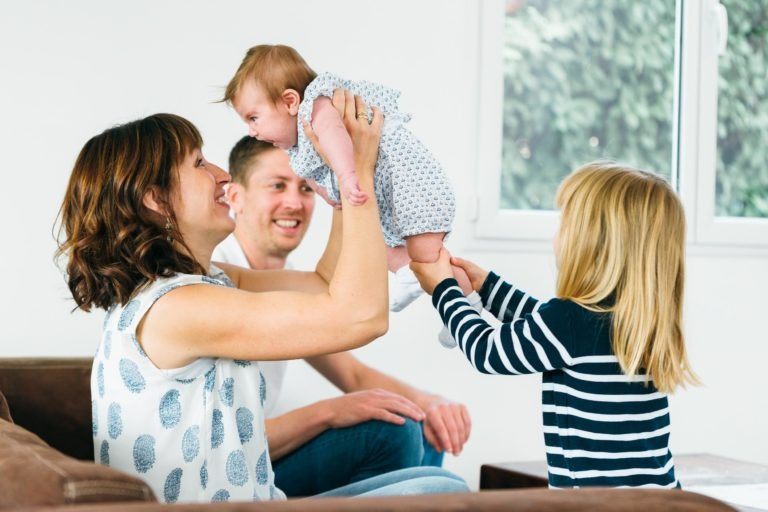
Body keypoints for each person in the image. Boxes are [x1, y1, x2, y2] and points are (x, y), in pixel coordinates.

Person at [56, 95, 468, 503]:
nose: (220, 175)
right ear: (157, 199)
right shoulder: (177, 308)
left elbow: (326, 284)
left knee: (445, 490)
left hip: (263, 496)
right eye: (199, 164)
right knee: (439, 493)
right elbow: (362, 317)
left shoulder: (209, 281)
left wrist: (339, 172)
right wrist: (354, 171)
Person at [409, 161, 699, 488]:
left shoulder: (571, 323)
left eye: (566, 222)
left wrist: (444, 290)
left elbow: (487, 351)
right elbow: (540, 323)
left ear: (593, 243)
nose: (557, 234)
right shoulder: (638, 322)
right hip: (661, 498)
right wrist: (486, 286)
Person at [212, 136, 472, 497]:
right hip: (231, 468)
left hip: (263, 455)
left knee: (424, 424)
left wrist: (430, 402)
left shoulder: (286, 281)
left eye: (305, 187)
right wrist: (330, 411)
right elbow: (222, 443)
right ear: (234, 197)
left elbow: (351, 372)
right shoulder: (218, 279)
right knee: (392, 429)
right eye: (277, 185)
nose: (294, 201)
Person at [221, 44, 480, 348]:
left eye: (253, 118)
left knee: (427, 260)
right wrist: (330, 193)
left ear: (290, 101)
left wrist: (348, 177)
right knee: (392, 251)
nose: (251, 130)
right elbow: (314, 171)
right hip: (393, 196)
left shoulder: (317, 107)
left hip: (415, 189)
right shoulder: (301, 141)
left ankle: (455, 308)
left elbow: (337, 142)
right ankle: (458, 304)